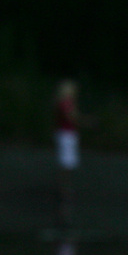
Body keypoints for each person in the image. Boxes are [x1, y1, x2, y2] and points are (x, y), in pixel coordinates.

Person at [53, 80, 80, 226]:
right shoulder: (64, 103)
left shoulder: (66, 103)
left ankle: (66, 190)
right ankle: (64, 191)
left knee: (68, 163)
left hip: (68, 134)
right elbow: (71, 117)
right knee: (66, 163)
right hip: (65, 135)